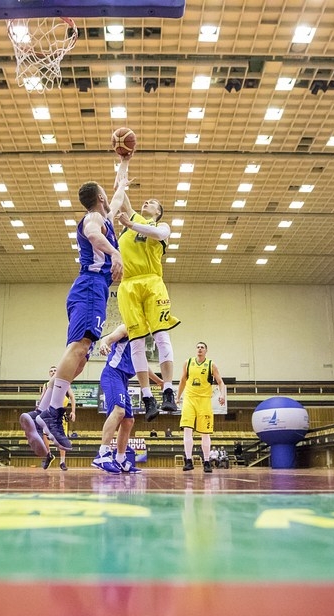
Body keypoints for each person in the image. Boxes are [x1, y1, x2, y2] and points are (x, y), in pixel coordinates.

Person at [20, 178, 125, 452]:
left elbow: (118, 196)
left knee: (78, 362)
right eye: (105, 194)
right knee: (79, 347)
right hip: (90, 287)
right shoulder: (93, 218)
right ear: (99, 197)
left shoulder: (106, 218)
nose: (109, 197)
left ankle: (39, 413)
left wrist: (124, 167)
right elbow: (92, 234)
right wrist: (115, 253)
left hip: (93, 290)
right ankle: (53, 413)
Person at [112, 160, 180, 421]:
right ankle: (147, 396)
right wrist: (124, 161)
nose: (146, 202)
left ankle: (168, 390)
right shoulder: (133, 218)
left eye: (152, 203)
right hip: (128, 285)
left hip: (152, 282)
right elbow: (120, 190)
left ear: (158, 212)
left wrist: (130, 226)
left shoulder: (162, 227)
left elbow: (157, 233)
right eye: (146, 200)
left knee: (161, 336)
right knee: (137, 343)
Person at [92, 323, 160, 475]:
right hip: (112, 374)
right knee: (119, 411)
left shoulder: (141, 339)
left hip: (123, 380)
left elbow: (143, 365)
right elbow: (107, 339)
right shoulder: (127, 327)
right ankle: (102, 454)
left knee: (128, 421)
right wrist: (103, 344)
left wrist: (159, 381)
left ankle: (120, 459)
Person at [176, 342, 226, 473]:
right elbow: (182, 381)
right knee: (187, 429)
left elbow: (220, 382)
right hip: (189, 399)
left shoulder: (211, 364)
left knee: (205, 433)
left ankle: (207, 461)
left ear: (206, 351)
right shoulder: (188, 362)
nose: (199, 349)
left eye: (202, 347)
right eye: (198, 347)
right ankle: (188, 460)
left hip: (204, 401)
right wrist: (178, 397)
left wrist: (222, 395)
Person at [36, 366, 76, 471]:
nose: (53, 372)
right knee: (43, 434)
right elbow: (42, 399)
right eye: (51, 371)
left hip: (59, 415)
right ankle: (49, 455)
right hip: (48, 413)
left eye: (55, 370)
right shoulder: (46, 385)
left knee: (61, 438)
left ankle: (62, 461)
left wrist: (73, 411)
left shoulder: (65, 383)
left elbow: (72, 397)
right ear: (49, 373)